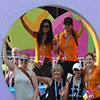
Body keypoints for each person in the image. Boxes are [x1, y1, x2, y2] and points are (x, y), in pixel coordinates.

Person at [54, 17, 84, 81]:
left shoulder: (75, 34)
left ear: (72, 26)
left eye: (69, 25)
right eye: (65, 24)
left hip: (72, 61)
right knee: (61, 80)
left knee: (79, 78)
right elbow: (52, 40)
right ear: (63, 25)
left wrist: (81, 22)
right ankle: (60, 90)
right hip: (62, 61)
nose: (67, 26)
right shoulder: (60, 35)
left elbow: (82, 29)